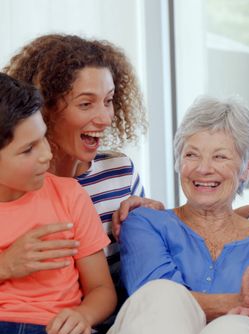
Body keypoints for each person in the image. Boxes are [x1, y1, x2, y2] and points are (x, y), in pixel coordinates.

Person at [106, 96, 249, 334]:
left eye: (220, 156)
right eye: (191, 155)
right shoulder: (144, 223)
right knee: (163, 293)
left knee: (234, 329)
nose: (203, 168)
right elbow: (157, 306)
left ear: (247, 167)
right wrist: (240, 301)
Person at [4, 34, 149, 317]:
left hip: (107, 318)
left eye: (108, 101)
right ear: (45, 109)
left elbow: (146, 266)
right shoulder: (15, 182)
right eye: (86, 104)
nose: (105, 117)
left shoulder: (119, 171)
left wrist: (153, 219)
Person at [0, 73, 116, 334]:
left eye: (43, 138)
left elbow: (102, 289)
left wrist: (83, 315)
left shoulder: (68, 194)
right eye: (28, 149)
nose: (47, 155)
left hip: (56, 330)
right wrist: (6, 265)